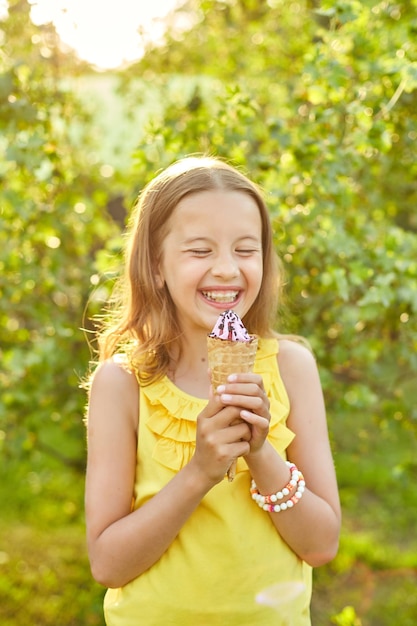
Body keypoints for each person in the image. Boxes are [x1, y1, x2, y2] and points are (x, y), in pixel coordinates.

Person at [85, 156, 341, 626]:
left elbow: (321, 544)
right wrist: (201, 470)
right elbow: (108, 564)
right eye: (199, 251)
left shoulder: (291, 368)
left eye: (246, 250)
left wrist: (262, 454)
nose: (227, 269)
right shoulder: (121, 385)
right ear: (156, 265)